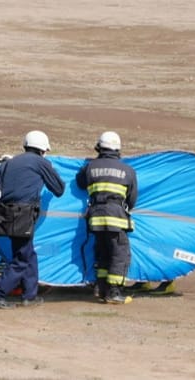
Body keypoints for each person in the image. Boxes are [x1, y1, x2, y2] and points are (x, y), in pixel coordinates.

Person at [0, 130, 65, 309]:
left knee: (27, 253)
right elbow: (59, 189)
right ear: (43, 150)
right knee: (21, 260)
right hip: (23, 215)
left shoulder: (8, 163)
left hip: (3, 215)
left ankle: (30, 295)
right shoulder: (41, 162)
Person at [75, 131, 138, 305]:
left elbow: (80, 182)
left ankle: (101, 288)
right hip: (116, 217)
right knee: (120, 254)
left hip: (95, 218)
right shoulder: (128, 171)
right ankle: (114, 292)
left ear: (99, 147)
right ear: (118, 149)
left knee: (103, 252)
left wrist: (88, 166)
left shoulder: (91, 167)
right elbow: (132, 199)